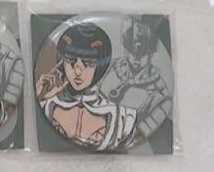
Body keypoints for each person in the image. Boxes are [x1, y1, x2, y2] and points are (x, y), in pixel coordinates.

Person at [36, 22, 138, 152]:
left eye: (89, 63)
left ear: (101, 65)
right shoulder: (47, 103)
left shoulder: (124, 118)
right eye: (70, 60)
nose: (78, 71)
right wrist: (40, 96)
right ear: (61, 61)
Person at [101, 17, 173, 142]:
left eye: (143, 54)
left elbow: (139, 136)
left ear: (151, 54)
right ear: (125, 49)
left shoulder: (161, 95)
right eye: (131, 52)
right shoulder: (109, 67)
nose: (136, 59)